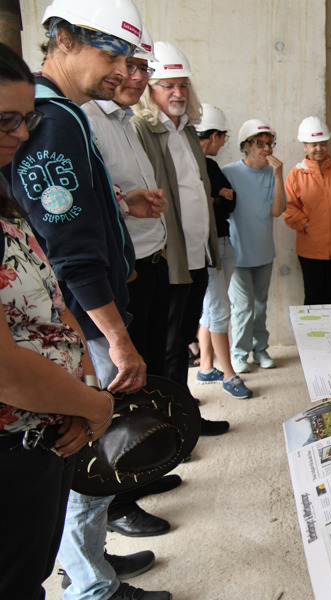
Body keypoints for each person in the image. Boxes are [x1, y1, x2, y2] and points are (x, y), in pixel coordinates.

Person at [8, 2, 170, 598]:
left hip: (81, 318)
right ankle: (90, 585)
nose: (122, 72)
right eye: (112, 56)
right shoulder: (51, 121)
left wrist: (121, 207)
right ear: (66, 39)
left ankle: (87, 560)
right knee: (87, 457)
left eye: (130, 60)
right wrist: (116, 337)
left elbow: (60, 210)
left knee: (88, 457)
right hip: (84, 325)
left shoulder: (61, 114)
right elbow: (69, 246)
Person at [0, 39, 118, 600]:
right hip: (12, 439)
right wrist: (93, 405)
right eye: (6, 120)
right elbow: (5, 368)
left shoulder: (3, 191)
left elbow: (49, 298)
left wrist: (78, 395)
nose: (22, 135)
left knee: (30, 575)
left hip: (45, 428)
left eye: (25, 119)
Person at [81, 30, 186, 540]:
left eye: (142, 67)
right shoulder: (84, 120)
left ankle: (137, 473)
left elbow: (115, 195)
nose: (135, 77)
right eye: (125, 65)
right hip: (118, 273)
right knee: (117, 388)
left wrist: (132, 206)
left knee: (142, 376)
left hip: (145, 259)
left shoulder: (124, 122)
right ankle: (118, 498)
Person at [132, 42, 238, 424]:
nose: (177, 93)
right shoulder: (142, 129)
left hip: (197, 255)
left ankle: (183, 417)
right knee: (168, 346)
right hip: (169, 258)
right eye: (167, 85)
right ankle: (173, 426)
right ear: (150, 90)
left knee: (183, 341)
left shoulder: (188, 133)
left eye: (182, 85)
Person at [194, 103, 252, 397]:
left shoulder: (211, 165)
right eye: (224, 137)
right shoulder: (192, 163)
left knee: (211, 309)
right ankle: (229, 374)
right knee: (219, 309)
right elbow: (205, 204)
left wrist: (220, 199)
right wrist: (219, 199)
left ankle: (206, 367)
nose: (223, 143)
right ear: (214, 135)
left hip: (223, 239)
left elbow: (231, 201)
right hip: (207, 245)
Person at [222, 118, 286, 372]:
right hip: (236, 254)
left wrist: (279, 175)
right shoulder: (229, 172)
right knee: (243, 307)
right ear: (246, 146)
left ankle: (261, 350)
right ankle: (239, 353)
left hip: (263, 252)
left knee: (260, 305)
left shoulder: (272, 174)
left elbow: (277, 210)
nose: (267, 149)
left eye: (270, 144)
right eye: (260, 144)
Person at [283, 116, 331, 305]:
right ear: (304, 146)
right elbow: (289, 208)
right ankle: (312, 335)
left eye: (323, 144)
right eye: (313, 145)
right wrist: (307, 224)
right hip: (310, 250)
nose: (319, 149)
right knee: (313, 298)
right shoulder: (296, 174)